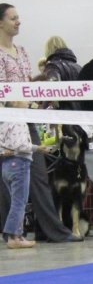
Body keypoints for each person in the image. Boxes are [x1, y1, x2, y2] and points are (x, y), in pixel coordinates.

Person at [0, 3, 82, 243]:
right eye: (13, 18)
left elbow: (26, 83)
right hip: (6, 121)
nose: (18, 22)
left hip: (27, 119)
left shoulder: (23, 51)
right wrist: (16, 104)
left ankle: (53, 230)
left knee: (36, 174)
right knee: (7, 179)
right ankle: (11, 232)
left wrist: (36, 101)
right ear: (1, 23)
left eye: (19, 18)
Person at [0, 102, 54, 248]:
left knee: (15, 202)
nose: (28, 101)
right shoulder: (19, 121)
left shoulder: (4, 120)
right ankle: (14, 237)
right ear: (16, 103)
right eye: (24, 99)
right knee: (19, 203)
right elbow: (21, 145)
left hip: (6, 165)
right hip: (20, 164)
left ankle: (14, 235)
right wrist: (37, 148)